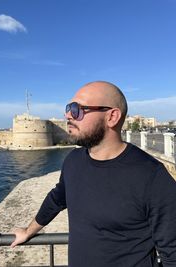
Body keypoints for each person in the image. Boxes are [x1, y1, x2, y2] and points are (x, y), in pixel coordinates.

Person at [11, 81, 176, 267]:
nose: (67, 115)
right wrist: (28, 230)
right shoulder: (73, 161)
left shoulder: (152, 176)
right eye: (68, 108)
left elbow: (172, 254)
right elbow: (57, 199)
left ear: (112, 117)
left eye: (77, 109)